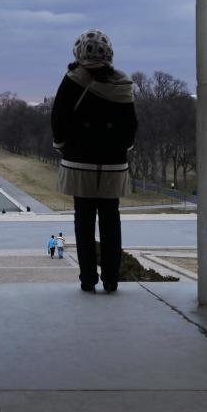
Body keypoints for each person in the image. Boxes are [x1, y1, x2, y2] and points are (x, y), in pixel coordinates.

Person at [52, 29, 137, 294]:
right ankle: (111, 278)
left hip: (80, 161)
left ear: (79, 52)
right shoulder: (122, 84)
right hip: (113, 163)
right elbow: (131, 125)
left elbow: (59, 118)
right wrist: (122, 148)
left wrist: (64, 145)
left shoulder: (72, 80)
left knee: (84, 220)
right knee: (111, 218)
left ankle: (88, 278)